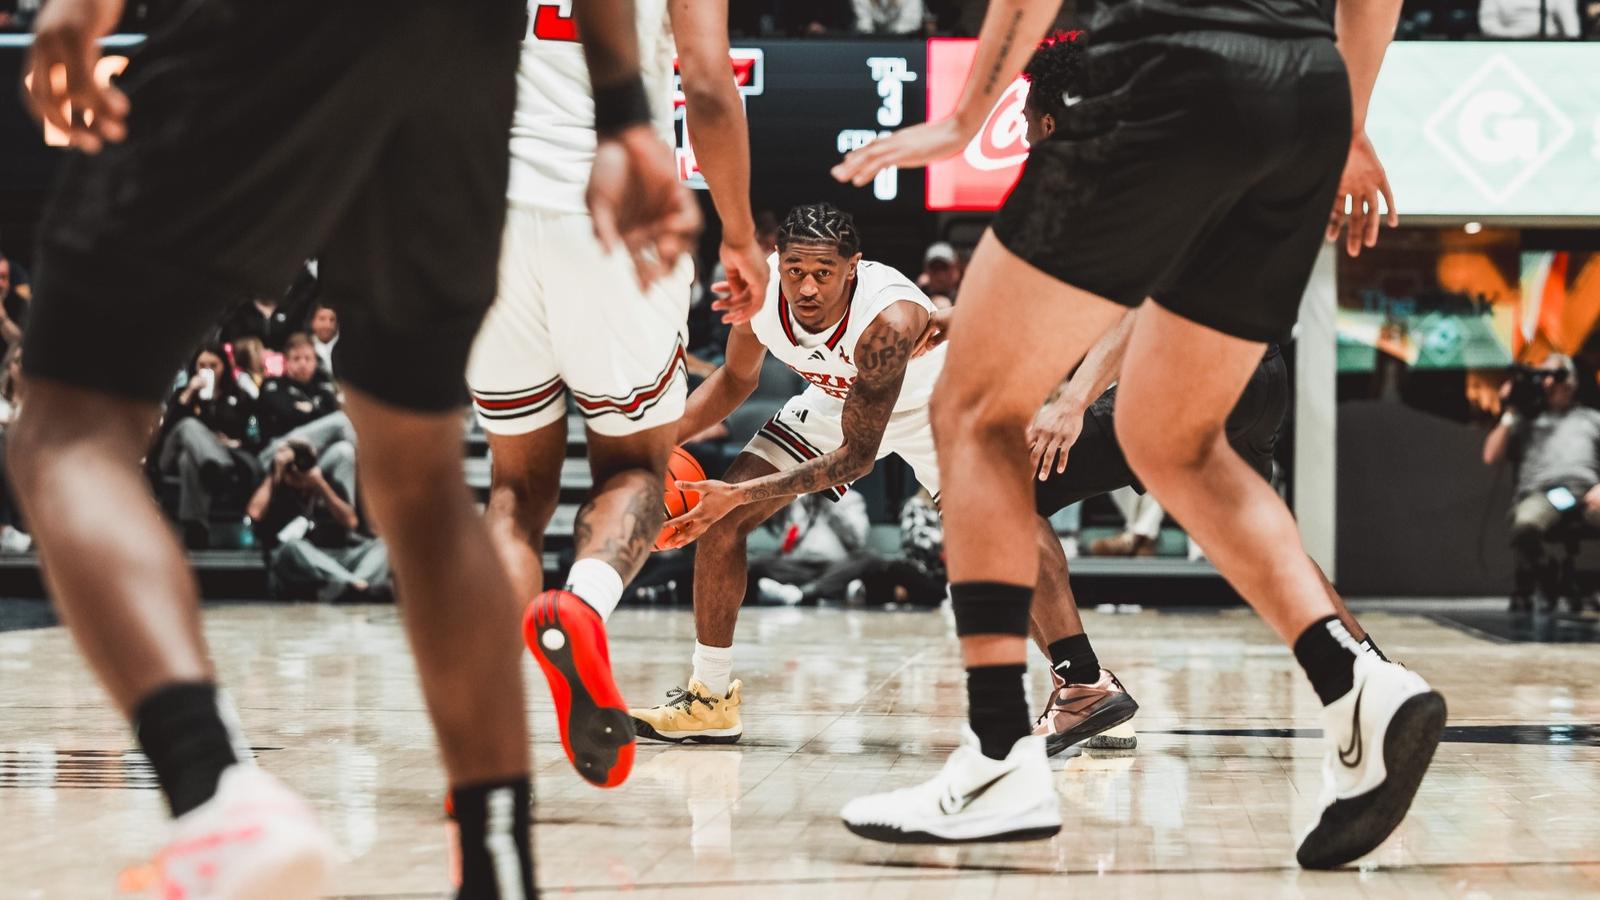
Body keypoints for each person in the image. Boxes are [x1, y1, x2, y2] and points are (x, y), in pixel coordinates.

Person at [8, 0, 696, 896]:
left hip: (272, 29)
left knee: (69, 424)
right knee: (420, 476)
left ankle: (216, 792)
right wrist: (626, 115)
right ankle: (498, 865)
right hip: (465, 64)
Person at [832, 0, 1439, 869]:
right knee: (1177, 440)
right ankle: (1360, 684)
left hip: (1169, 70)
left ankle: (1000, 755)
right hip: (1305, 95)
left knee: (970, 411)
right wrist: (1351, 119)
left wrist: (966, 118)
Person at [465, 0, 765, 790]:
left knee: (512, 489)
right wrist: (737, 232)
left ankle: (489, 735)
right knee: (636, 468)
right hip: (611, 200)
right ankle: (582, 609)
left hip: (481, 205)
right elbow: (706, 84)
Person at [636, 203, 946, 743]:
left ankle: (1082, 683)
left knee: (1009, 537)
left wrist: (736, 495)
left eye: (823, 274)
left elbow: (857, 458)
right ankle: (709, 699)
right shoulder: (761, 293)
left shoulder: (888, 317)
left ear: (853, 268)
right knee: (721, 521)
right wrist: (658, 444)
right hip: (836, 405)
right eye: (796, 270)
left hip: (935, 408)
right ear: (777, 259)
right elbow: (735, 379)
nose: (806, 288)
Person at [1482, 354, 1600, 609]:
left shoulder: (1591, 419)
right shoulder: (1527, 420)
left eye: (1555, 377)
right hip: (1543, 493)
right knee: (1525, 524)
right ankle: (1547, 573)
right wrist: (1510, 410)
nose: (1549, 384)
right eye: (1543, 377)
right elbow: (1491, 455)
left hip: (1587, 491)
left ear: (1571, 383)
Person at [248, 438, 389, 603]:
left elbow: (350, 522)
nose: (298, 471)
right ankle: (355, 585)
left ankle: (352, 585)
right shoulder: (274, 486)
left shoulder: (326, 484)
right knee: (292, 547)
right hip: (295, 563)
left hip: (333, 559)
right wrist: (275, 471)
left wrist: (320, 484)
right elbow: (254, 513)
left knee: (384, 544)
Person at [155, 343, 261, 549]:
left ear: (225, 367)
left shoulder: (238, 397)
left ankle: (196, 527)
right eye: (202, 365)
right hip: (172, 455)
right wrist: (189, 393)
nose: (207, 370)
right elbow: (167, 433)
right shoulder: (182, 395)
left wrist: (233, 442)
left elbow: (251, 434)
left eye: (214, 365)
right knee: (187, 425)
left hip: (216, 456)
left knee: (190, 459)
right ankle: (216, 464)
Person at [257, 333, 339, 441]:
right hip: (281, 445)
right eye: (296, 359)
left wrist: (309, 409)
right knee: (341, 422)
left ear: (315, 362)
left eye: (308, 358)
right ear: (286, 362)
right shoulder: (273, 385)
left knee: (344, 449)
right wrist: (316, 409)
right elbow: (287, 416)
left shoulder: (321, 383)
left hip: (317, 446)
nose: (303, 364)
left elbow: (332, 411)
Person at [917, 241, 961, 308]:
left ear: (955, 268)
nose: (940, 274)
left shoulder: (965, 295)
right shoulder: (916, 295)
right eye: (934, 268)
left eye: (944, 267)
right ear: (926, 270)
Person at [309, 303, 339, 378]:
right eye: (322, 319)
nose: (327, 325)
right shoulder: (306, 346)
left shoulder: (346, 346)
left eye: (332, 320)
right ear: (312, 322)